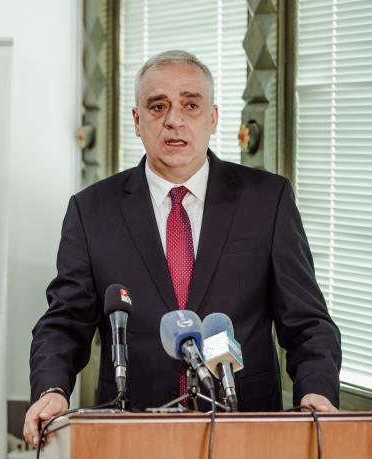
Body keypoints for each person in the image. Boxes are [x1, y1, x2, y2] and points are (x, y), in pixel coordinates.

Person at [23, 50, 341, 447]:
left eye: (191, 105)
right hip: (133, 431)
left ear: (213, 118)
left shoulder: (266, 201)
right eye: (158, 107)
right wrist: (51, 389)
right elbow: (64, 323)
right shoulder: (92, 211)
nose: (174, 119)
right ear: (137, 120)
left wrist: (317, 391)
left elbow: (308, 323)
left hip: (245, 428)